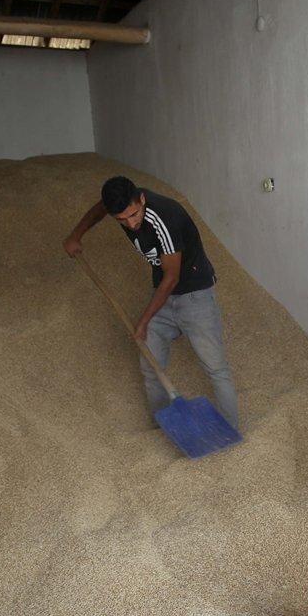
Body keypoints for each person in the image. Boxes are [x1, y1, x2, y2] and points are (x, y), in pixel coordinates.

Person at [63, 176, 239, 430]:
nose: (131, 223)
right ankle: (164, 428)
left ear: (141, 199)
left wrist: (143, 321)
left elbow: (172, 277)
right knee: (150, 364)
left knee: (215, 367)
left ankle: (230, 433)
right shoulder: (120, 206)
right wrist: (76, 235)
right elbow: (100, 208)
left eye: (134, 214)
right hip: (163, 295)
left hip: (194, 294)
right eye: (122, 219)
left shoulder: (164, 218)